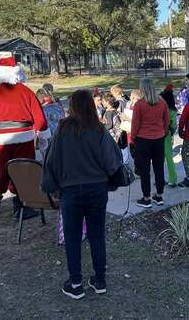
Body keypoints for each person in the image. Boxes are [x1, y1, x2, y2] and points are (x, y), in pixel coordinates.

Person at [42, 90, 122, 299]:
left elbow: (51, 162)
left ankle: (75, 282)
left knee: (72, 237)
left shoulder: (62, 130)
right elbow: (113, 162)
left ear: (72, 106)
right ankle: (100, 280)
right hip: (96, 190)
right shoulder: (99, 130)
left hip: (71, 192)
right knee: (97, 235)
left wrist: (53, 188)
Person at [0, 57, 50, 218]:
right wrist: (42, 133)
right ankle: (20, 206)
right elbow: (38, 116)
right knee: (23, 170)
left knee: (1, 170)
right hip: (23, 136)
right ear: (16, 73)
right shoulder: (26, 91)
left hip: (0, 138)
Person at [131, 78, 170, 208]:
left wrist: (134, 137)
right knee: (159, 168)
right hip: (159, 139)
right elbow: (167, 120)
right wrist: (163, 132)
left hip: (143, 139)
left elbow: (135, 124)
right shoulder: (162, 102)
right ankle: (159, 196)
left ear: (142, 89)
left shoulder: (139, 105)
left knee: (144, 170)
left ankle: (146, 198)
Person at [160, 85, 179, 187]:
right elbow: (174, 126)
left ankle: (168, 179)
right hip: (167, 135)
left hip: (163, 135)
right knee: (166, 157)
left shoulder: (165, 110)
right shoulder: (173, 110)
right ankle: (169, 179)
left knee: (164, 158)